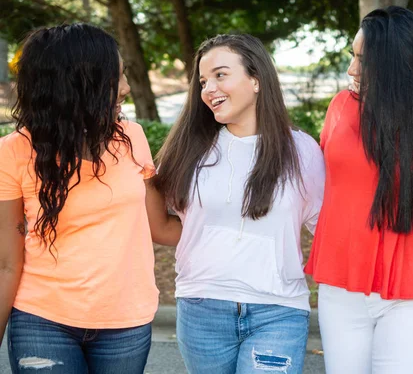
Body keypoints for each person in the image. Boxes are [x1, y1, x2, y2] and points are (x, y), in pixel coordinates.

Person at [0, 23, 180, 373]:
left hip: (127, 321)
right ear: (77, 85)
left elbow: (161, 227)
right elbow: (7, 262)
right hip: (42, 321)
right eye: (117, 78)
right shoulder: (13, 152)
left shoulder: (133, 136)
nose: (126, 88)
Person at [304, 6, 413, 374]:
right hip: (341, 291)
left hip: (409, 299)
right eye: (352, 57)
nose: (351, 70)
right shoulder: (338, 109)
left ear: (399, 66)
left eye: (365, 61)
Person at [152, 33, 325, 374]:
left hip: (279, 311)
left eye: (220, 75)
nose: (208, 89)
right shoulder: (190, 149)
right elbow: (165, 226)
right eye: (203, 81)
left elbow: (326, 229)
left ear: (256, 79)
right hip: (202, 308)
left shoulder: (301, 150)